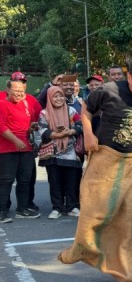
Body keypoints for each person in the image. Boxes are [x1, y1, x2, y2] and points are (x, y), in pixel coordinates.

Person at [58, 57, 132, 282]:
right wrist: (88, 133)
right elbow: (86, 110)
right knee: (95, 210)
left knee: (130, 220)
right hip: (106, 157)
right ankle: (82, 248)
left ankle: (128, 274)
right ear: (129, 77)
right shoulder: (108, 91)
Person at [0, 79, 42, 223]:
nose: (19, 94)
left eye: (21, 91)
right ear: (8, 90)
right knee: (6, 180)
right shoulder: (2, 104)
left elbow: (29, 122)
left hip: (26, 148)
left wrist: (32, 127)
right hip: (7, 150)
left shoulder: (25, 104)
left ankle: (22, 209)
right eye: (16, 90)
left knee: (25, 180)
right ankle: (1, 212)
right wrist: (15, 140)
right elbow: (1, 127)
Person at [38, 87, 82, 219]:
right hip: (53, 152)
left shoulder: (71, 110)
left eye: (61, 96)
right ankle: (56, 208)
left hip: (70, 152)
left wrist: (70, 132)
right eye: (55, 96)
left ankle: (72, 206)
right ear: (50, 98)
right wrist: (57, 135)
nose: (59, 99)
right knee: (55, 180)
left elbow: (79, 125)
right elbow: (42, 131)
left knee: (72, 180)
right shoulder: (44, 113)